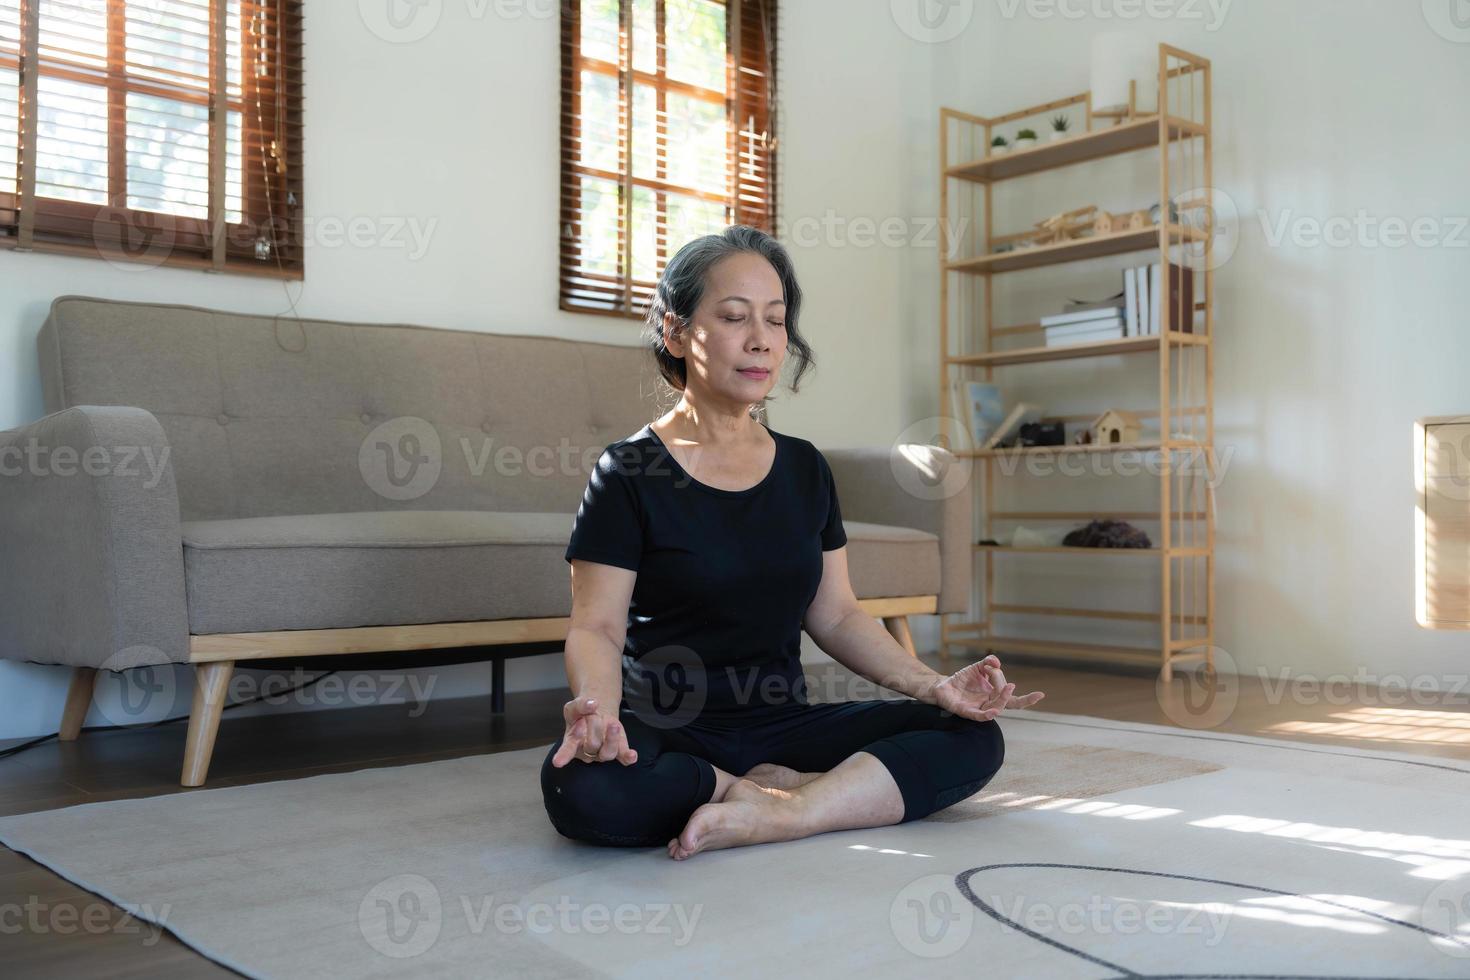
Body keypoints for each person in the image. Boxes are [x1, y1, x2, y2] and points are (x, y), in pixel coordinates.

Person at [540, 225, 1044, 861]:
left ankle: (790, 811)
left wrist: (933, 684)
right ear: (675, 332)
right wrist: (600, 713)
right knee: (580, 785)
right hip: (669, 729)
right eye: (733, 316)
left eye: (776, 321)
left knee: (970, 735)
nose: (761, 340)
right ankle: (754, 791)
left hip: (784, 722)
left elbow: (835, 614)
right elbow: (598, 627)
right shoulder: (628, 472)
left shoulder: (805, 469)